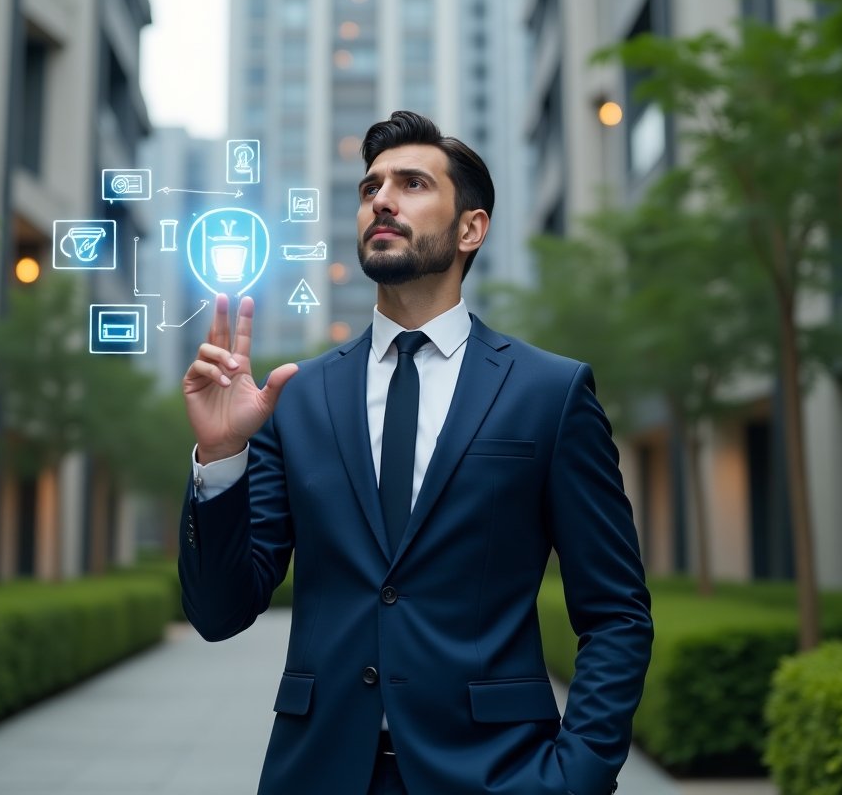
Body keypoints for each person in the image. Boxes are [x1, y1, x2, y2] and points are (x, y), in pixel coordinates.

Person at [179, 110, 652, 795]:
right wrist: (222, 455)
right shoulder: (296, 397)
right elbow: (220, 612)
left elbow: (616, 614)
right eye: (369, 188)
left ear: (470, 229)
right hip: (318, 773)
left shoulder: (550, 393)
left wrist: (576, 777)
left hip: (497, 773)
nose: (382, 200)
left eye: (412, 183)